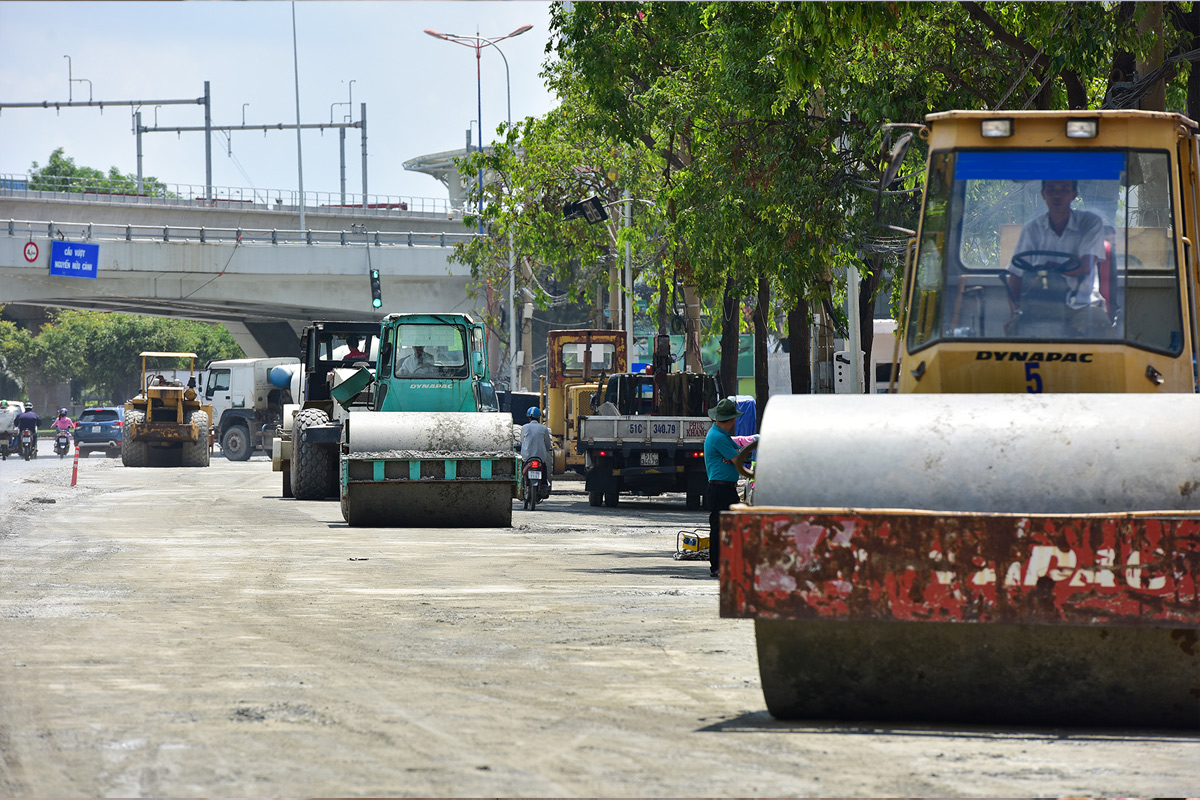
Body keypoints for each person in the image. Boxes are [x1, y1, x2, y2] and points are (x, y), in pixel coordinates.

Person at [1005, 179, 1109, 336]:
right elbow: (1015, 276)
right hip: (1042, 306)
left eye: (1064, 189)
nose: (1057, 195)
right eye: (1051, 189)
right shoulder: (1032, 229)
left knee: (1098, 321)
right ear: (1043, 194)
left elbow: (1085, 266)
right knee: (1016, 329)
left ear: (1074, 194)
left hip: (1082, 305)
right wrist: (1016, 311)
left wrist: (1052, 269)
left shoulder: (1091, 223)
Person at [704, 397, 744, 578]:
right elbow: (739, 460)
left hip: (726, 489)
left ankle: (727, 563)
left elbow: (738, 453)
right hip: (720, 489)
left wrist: (735, 455)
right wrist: (735, 456)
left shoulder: (722, 436)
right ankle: (717, 566)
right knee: (720, 528)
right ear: (732, 419)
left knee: (732, 526)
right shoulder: (718, 437)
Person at [520, 406, 554, 492]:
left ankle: (522, 484)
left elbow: (522, 441)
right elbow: (547, 443)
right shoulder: (543, 428)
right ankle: (544, 484)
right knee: (544, 467)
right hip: (540, 457)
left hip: (527, 457)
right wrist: (547, 449)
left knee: (522, 469)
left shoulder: (524, 427)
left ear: (528, 417)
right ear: (539, 417)